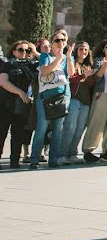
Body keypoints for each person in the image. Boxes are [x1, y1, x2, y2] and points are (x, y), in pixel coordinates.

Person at [31, 29, 75, 169]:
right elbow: (44, 71)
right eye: (57, 40)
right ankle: (34, 159)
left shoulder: (68, 57)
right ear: (52, 43)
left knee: (57, 130)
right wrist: (58, 58)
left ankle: (53, 160)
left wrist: (67, 57)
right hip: (45, 98)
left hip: (61, 97)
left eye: (63, 40)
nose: (60, 43)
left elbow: (71, 73)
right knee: (42, 129)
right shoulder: (45, 56)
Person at [0, 41, 36, 169]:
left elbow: (44, 61)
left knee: (18, 133)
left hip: (22, 105)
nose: (24, 53)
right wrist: (20, 92)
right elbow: (3, 82)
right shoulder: (7, 65)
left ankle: (14, 161)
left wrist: (35, 51)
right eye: (21, 50)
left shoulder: (31, 66)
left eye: (27, 50)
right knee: (1, 133)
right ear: (14, 51)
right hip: (6, 104)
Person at [59, 41, 94, 164]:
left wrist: (88, 76)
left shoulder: (88, 65)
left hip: (86, 102)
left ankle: (72, 153)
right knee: (70, 128)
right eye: (81, 49)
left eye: (86, 50)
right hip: (74, 100)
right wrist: (83, 76)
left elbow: (90, 84)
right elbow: (70, 80)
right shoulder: (71, 63)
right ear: (76, 50)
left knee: (79, 130)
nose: (83, 52)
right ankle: (62, 154)